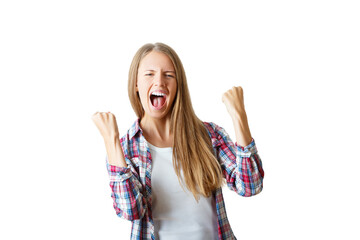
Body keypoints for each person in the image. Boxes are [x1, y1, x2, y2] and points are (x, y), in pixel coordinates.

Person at [92, 42, 264, 240]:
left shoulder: (209, 136)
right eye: (149, 74)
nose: (159, 82)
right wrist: (111, 141)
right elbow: (130, 211)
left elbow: (251, 185)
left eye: (169, 75)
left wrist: (239, 116)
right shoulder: (125, 148)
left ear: (178, 85)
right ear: (136, 84)